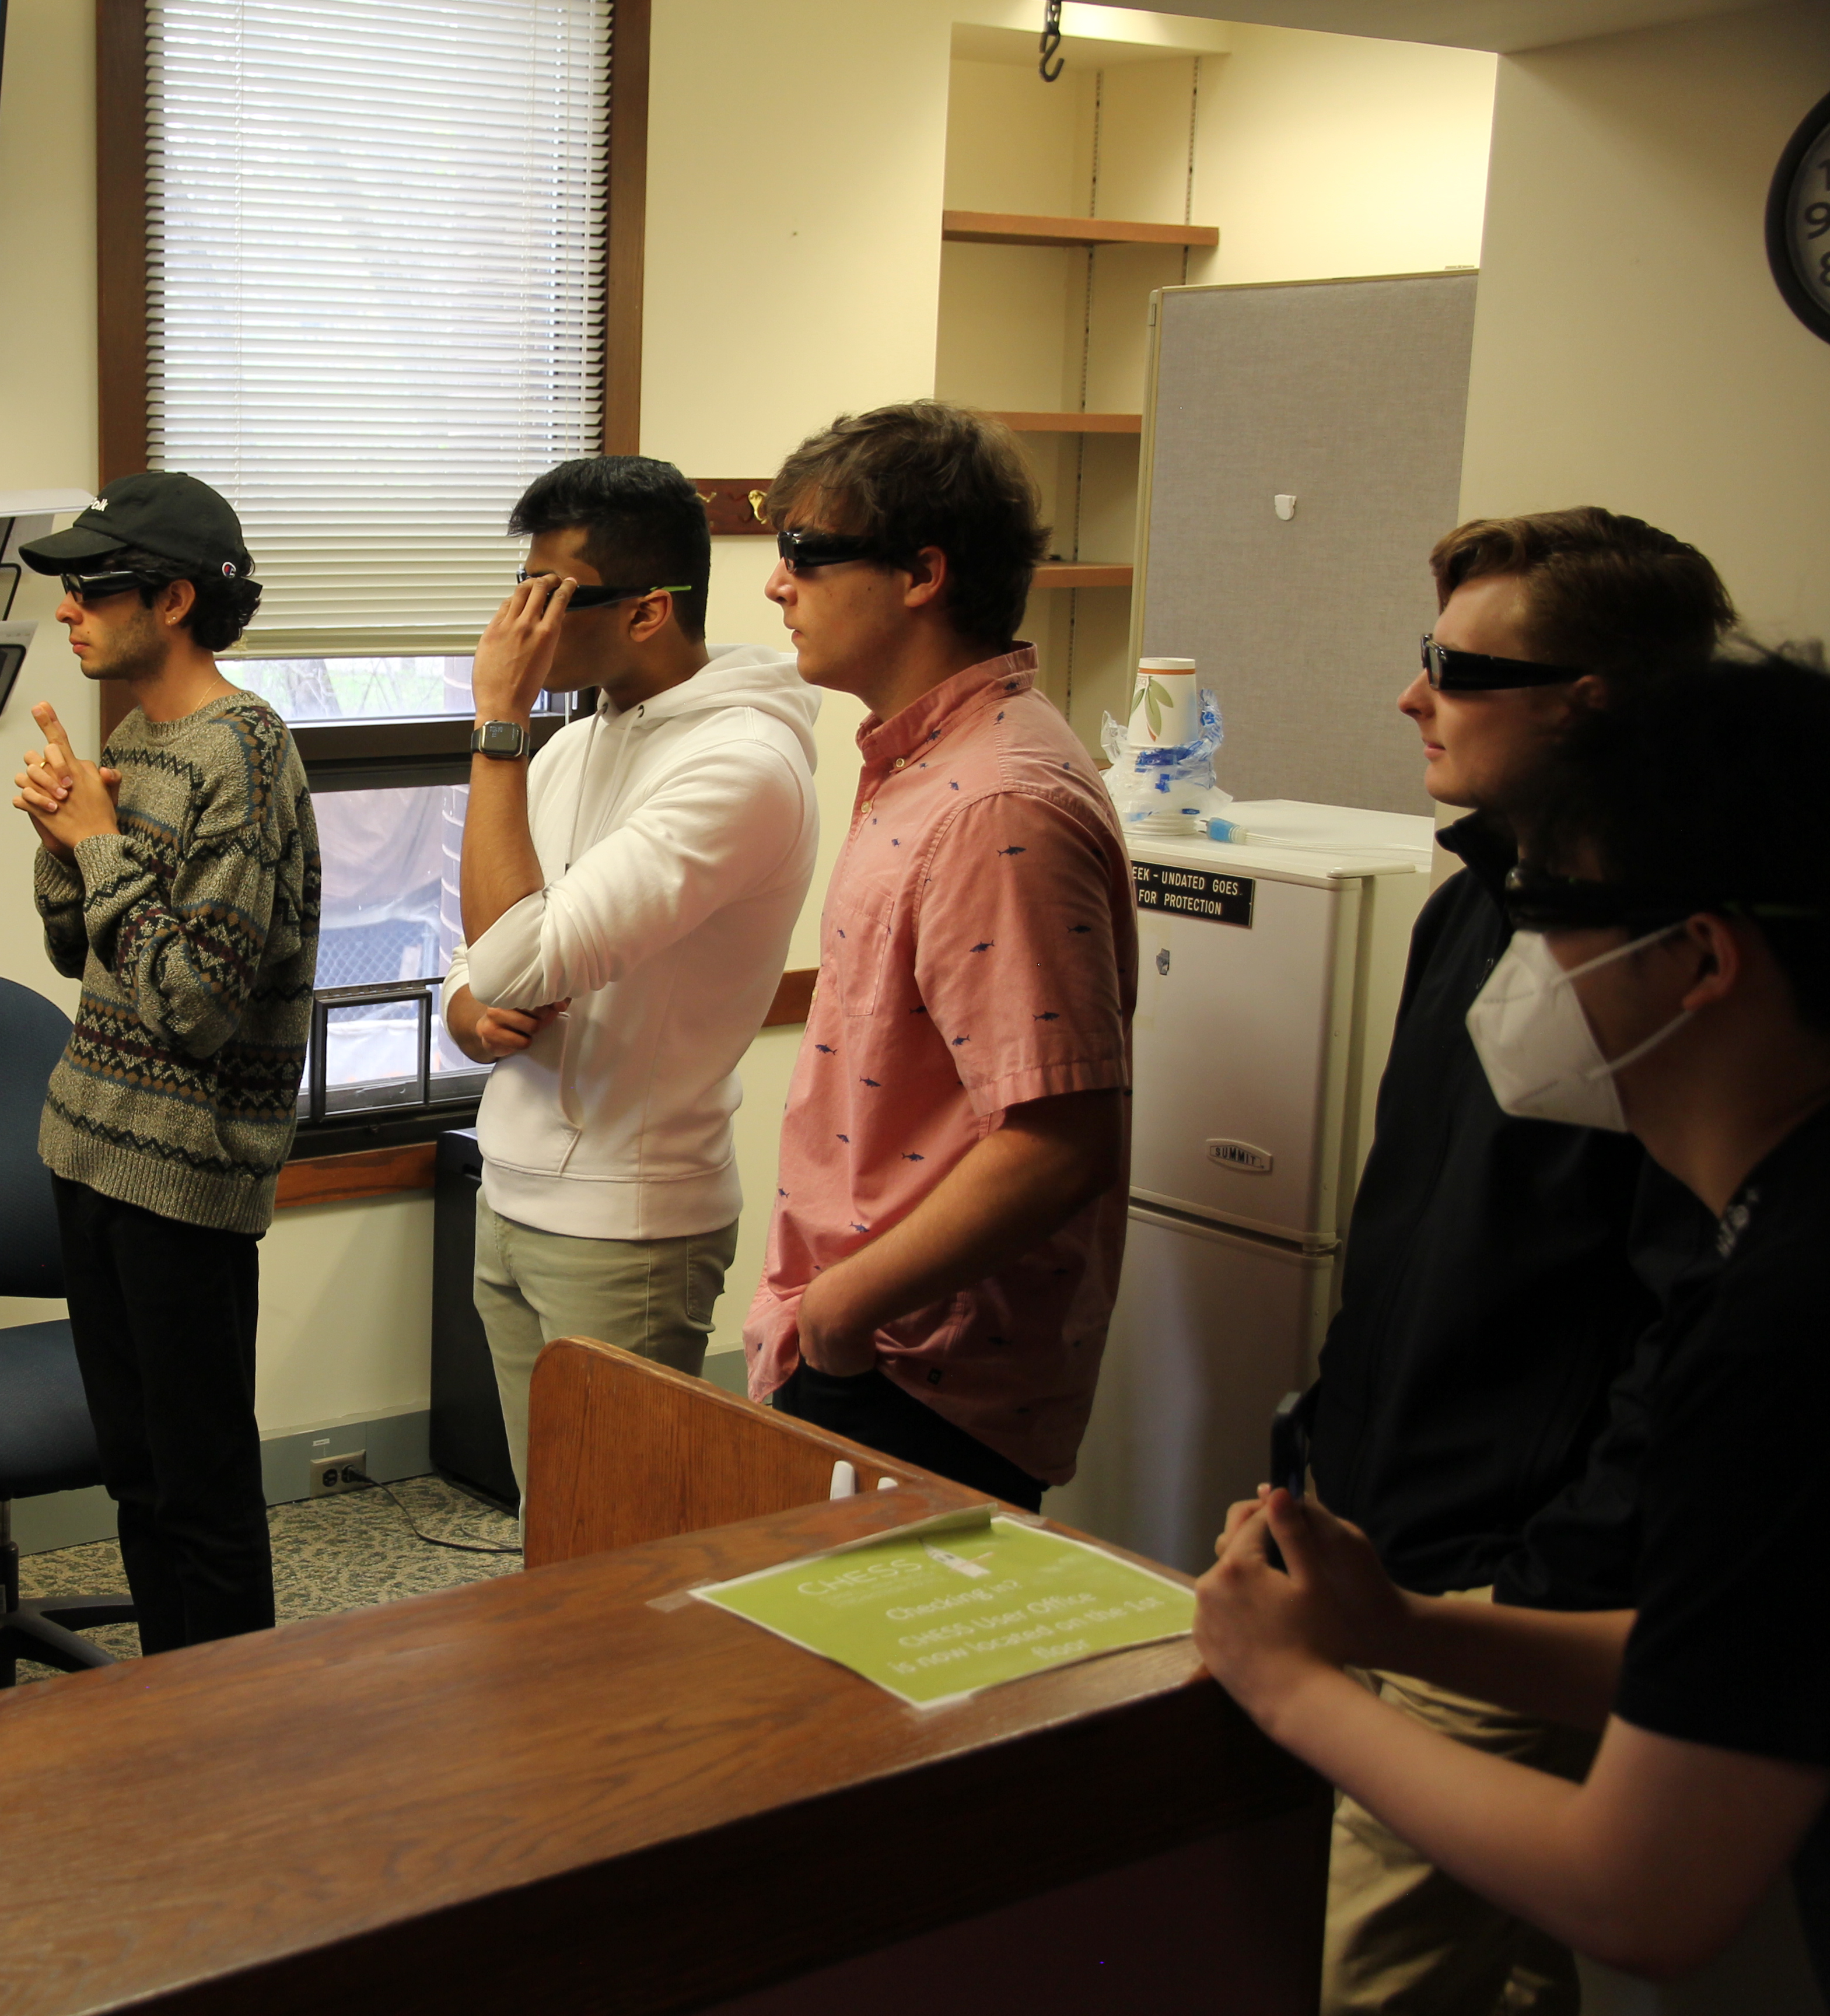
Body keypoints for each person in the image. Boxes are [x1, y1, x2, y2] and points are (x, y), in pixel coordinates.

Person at [1198, 644, 1830, 1997]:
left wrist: (1292, 1689)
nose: (1522, 961)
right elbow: (1740, 1642)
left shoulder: (1787, 1322)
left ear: (1701, 958)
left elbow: (1643, 1892)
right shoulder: (1773, 1234)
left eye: (1544, 910)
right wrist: (1398, 1629)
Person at [1297, 509, 1733, 2015]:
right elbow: (1417, 1239)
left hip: (1509, 1583)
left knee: (1382, 1981)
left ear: (1593, 704)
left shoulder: (1665, 965)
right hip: (1379, 1530)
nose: (1415, 698)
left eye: (1459, 670)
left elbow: (1687, 1316)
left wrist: (1535, 1583)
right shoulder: (1476, 905)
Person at [736, 402, 1132, 1510]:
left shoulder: (997, 804)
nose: (778, 585)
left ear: (922, 573)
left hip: (919, 1371)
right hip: (872, 1343)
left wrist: (843, 1316)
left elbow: (1058, 1140)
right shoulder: (925, 764)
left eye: (806, 555)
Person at [441, 454, 821, 1499]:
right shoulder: (574, 744)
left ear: (650, 611)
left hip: (630, 1217)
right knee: (547, 1530)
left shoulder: (740, 764)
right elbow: (477, 953)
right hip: (510, 1186)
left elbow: (519, 949)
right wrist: (466, 1011)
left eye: (548, 596)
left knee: (611, 1547)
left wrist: (496, 722)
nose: (517, 625)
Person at [5, 471, 319, 1653]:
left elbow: (195, 1002)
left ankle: (228, 1747)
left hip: (184, 1175)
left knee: (201, 1492)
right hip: (90, 1148)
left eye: (92, 588)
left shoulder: (244, 754)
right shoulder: (142, 738)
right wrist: (62, 844)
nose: (68, 612)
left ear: (174, 598)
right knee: (135, 1478)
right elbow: (78, 948)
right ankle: (165, 1709)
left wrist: (96, 847)